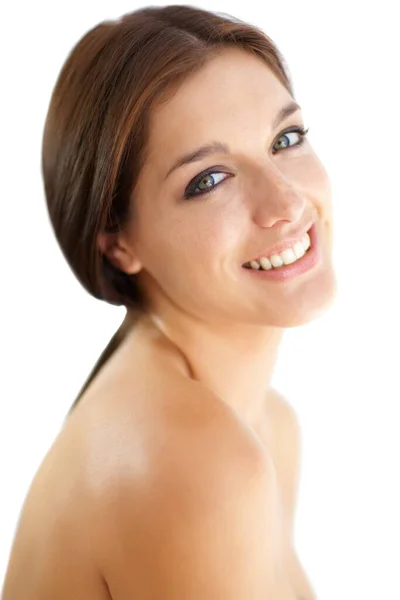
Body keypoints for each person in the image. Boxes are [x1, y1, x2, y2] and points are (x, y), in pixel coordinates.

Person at [2, 4, 336, 599]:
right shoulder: (196, 464)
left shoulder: (269, 428)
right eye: (209, 179)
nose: (285, 203)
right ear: (120, 244)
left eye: (286, 139)